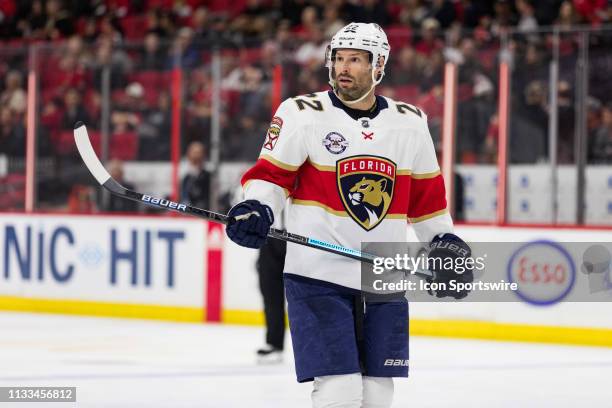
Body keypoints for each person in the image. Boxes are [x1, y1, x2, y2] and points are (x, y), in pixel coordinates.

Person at [225, 23, 473, 408]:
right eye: (339, 58)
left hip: (383, 276)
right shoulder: (301, 112)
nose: (344, 67)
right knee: (338, 390)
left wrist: (444, 242)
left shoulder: (410, 121)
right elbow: (270, 177)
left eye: (356, 60)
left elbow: (426, 200)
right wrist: (258, 207)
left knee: (378, 393)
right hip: (317, 274)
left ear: (379, 66)